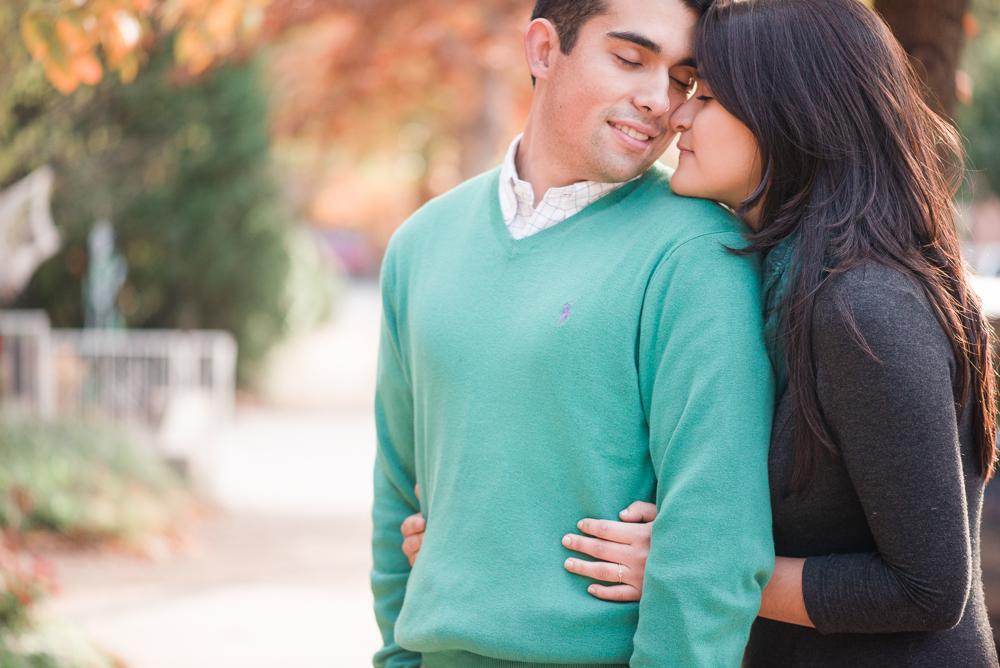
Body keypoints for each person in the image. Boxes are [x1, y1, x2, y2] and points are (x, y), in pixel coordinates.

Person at [406, 0, 1000, 664]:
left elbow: (929, 587)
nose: (675, 112)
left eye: (706, 94)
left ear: (791, 115)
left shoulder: (864, 304)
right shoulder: (774, 271)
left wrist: (693, 565)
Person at [371, 0, 778, 666]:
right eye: (628, 58)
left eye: (683, 78)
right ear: (542, 51)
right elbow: (397, 500)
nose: (661, 102)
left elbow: (715, 544)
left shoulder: (698, 255)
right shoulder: (422, 243)